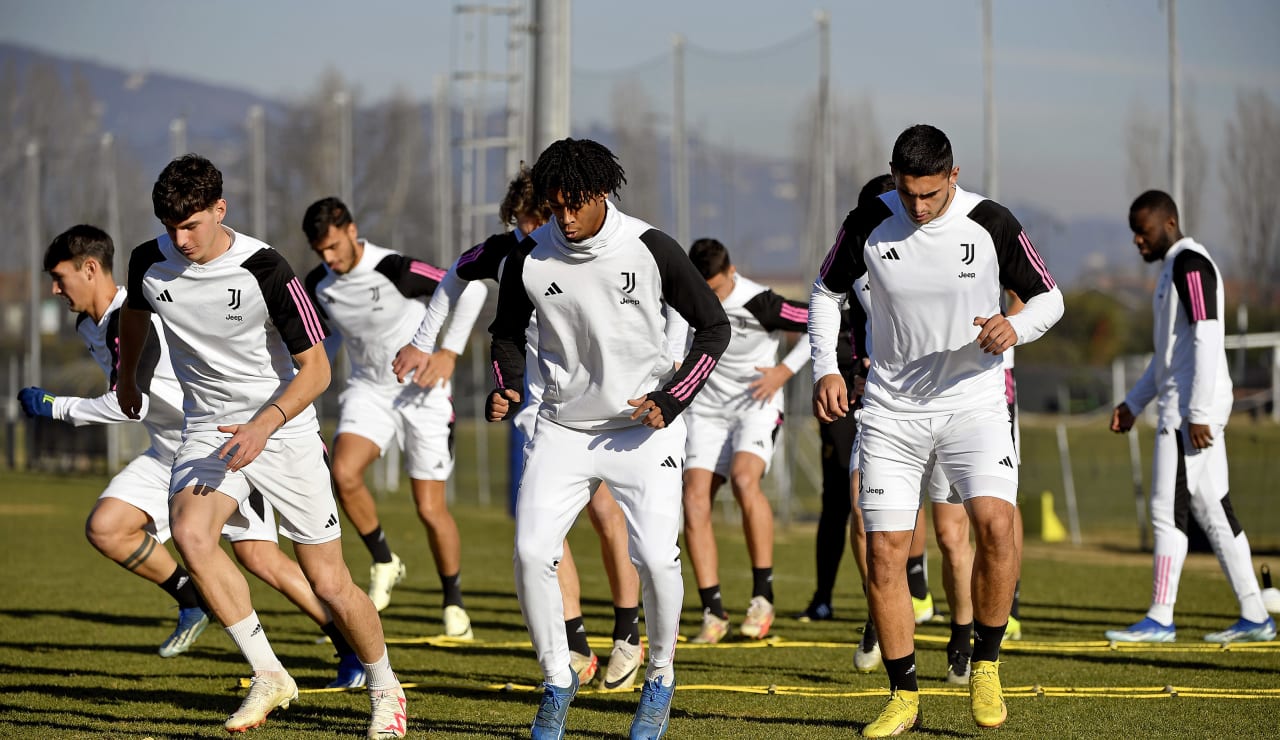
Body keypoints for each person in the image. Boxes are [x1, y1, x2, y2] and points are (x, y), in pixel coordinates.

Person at [117, 155, 406, 737]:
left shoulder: (266, 269)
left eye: (193, 225)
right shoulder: (148, 260)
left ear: (220, 210)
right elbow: (135, 315)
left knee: (328, 580)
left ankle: (386, 687)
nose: (181, 240)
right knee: (192, 535)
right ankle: (269, 673)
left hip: (285, 430)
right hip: (209, 427)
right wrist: (128, 375)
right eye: (171, 227)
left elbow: (317, 370)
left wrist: (264, 425)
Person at [19, 224, 368, 688]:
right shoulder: (91, 324)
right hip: (170, 448)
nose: (54, 289)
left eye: (60, 277)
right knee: (106, 528)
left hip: (217, 439)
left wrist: (55, 406)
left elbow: (133, 403)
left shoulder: (135, 311)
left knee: (259, 556)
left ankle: (347, 645)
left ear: (90, 268)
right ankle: (192, 600)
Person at [810, 125, 1063, 735]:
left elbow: (1050, 299)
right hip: (892, 412)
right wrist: (825, 368)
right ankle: (902, 692)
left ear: (953, 175)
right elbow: (824, 291)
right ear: (894, 177)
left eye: (930, 194)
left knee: (994, 526)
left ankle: (987, 662)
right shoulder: (869, 220)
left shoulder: (992, 222)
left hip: (973, 404)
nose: (918, 208)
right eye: (908, 193)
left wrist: (1014, 326)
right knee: (883, 550)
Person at [486, 138, 729, 739]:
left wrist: (672, 400)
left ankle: (661, 678)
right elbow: (506, 334)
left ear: (601, 195)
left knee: (654, 557)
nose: (564, 219)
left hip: (642, 431)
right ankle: (556, 681)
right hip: (564, 428)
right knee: (530, 552)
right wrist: (508, 387)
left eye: (575, 205)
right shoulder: (529, 259)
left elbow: (713, 327)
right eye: (554, 206)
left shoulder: (650, 248)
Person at [393, 166, 646, 690]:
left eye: (545, 217)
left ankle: (628, 633)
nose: (537, 228)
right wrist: (426, 340)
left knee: (605, 512)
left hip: (604, 402)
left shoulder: (594, 246)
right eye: (527, 219)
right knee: (544, 528)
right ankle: (575, 643)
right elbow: (454, 278)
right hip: (541, 408)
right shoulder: (507, 251)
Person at [302, 197, 481, 641]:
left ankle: (453, 600)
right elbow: (323, 343)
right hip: (370, 392)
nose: (329, 258)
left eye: (334, 247)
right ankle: (384, 560)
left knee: (429, 508)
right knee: (342, 473)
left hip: (424, 396)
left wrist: (447, 353)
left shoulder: (395, 268)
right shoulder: (317, 285)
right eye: (320, 251)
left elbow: (471, 287)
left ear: (351, 229)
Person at [1106, 189, 1275, 644]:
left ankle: (1161, 617)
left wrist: (1197, 412)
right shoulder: (1170, 270)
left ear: (1169, 223)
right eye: (1134, 235)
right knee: (1212, 508)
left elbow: (1207, 337)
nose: (1138, 242)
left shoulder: (1190, 264)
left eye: (1142, 232)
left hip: (1188, 412)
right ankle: (1256, 614)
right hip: (1183, 405)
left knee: (1166, 510)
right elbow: (1168, 357)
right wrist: (1134, 402)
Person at [674, 237, 809, 643]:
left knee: (744, 480)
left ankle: (762, 598)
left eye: (713, 289)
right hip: (706, 411)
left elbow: (816, 324)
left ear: (731, 273)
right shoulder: (684, 297)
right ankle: (713, 611)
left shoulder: (760, 302)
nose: (706, 298)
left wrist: (783, 371)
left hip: (756, 405)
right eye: (702, 289)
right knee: (694, 497)